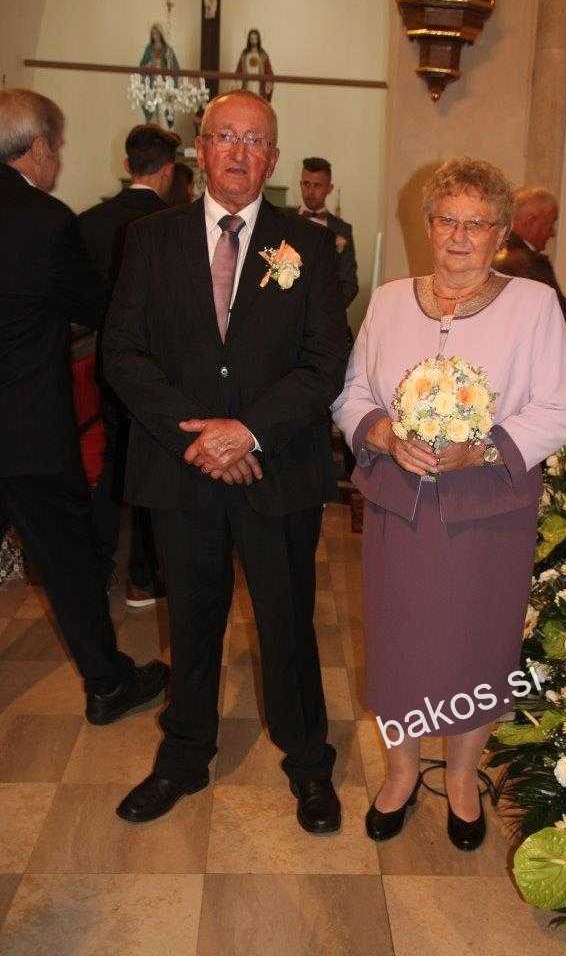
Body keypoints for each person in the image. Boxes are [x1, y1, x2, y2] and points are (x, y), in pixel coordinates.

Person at [103, 90, 350, 827]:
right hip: (180, 468)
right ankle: (184, 755)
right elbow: (124, 353)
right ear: (200, 148)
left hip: (278, 468)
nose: (239, 152)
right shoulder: (149, 239)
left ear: (273, 159)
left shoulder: (309, 246)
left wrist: (247, 431)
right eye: (225, 137)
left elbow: (326, 360)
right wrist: (200, 438)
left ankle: (308, 760)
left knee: (287, 622)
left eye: (255, 141)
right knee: (191, 618)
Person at [332, 158, 566, 850]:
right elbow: (351, 393)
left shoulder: (534, 306)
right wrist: (382, 433)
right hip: (400, 507)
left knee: (477, 644)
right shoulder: (388, 301)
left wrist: (484, 449)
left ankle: (465, 778)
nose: (460, 237)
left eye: (478, 223)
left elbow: (561, 408)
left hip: (487, 511)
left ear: (501, 233)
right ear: (428, 225)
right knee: (398, 644)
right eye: (448, 220)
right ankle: (401, 773)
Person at [0, 88, 168, 723]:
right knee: (68, 560)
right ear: (39, 147)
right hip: (26, 429)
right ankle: (107, 683)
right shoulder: (44, 220)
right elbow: (97, 306)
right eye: (58, 147)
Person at [79, 124, 180, 607]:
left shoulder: (89, 222)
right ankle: (144, 574)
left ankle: (97, 568)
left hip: (107, 360)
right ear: (168, 171)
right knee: (152, 465)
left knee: (113, 459)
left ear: (126, 166)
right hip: (159, 369)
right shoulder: (174, 225)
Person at [494, 185, 566, 353]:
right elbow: (555, 321)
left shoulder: (491, 254)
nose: (552, 233)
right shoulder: (528, 264)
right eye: (550, 223)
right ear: (531, 220)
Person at [299, 157, 359, 309]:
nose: (310, 191)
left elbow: (349, 283)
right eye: (306, 184)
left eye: (317, 185)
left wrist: (328, 311)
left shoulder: (342, 230)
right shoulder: (284, 222)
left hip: (326, 314)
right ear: (300, 184)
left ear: (329, 188)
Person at [236, 29, 274, 102]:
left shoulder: (263, 54)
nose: (253, 41)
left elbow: (269, 71)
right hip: (247, 86)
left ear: (258, 39)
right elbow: (239, 70)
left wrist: (269, 83)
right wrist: (237, 82)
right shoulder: (244, 54)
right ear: (249, 39)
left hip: (259, 87)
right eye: (251, 38)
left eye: (255, 38)